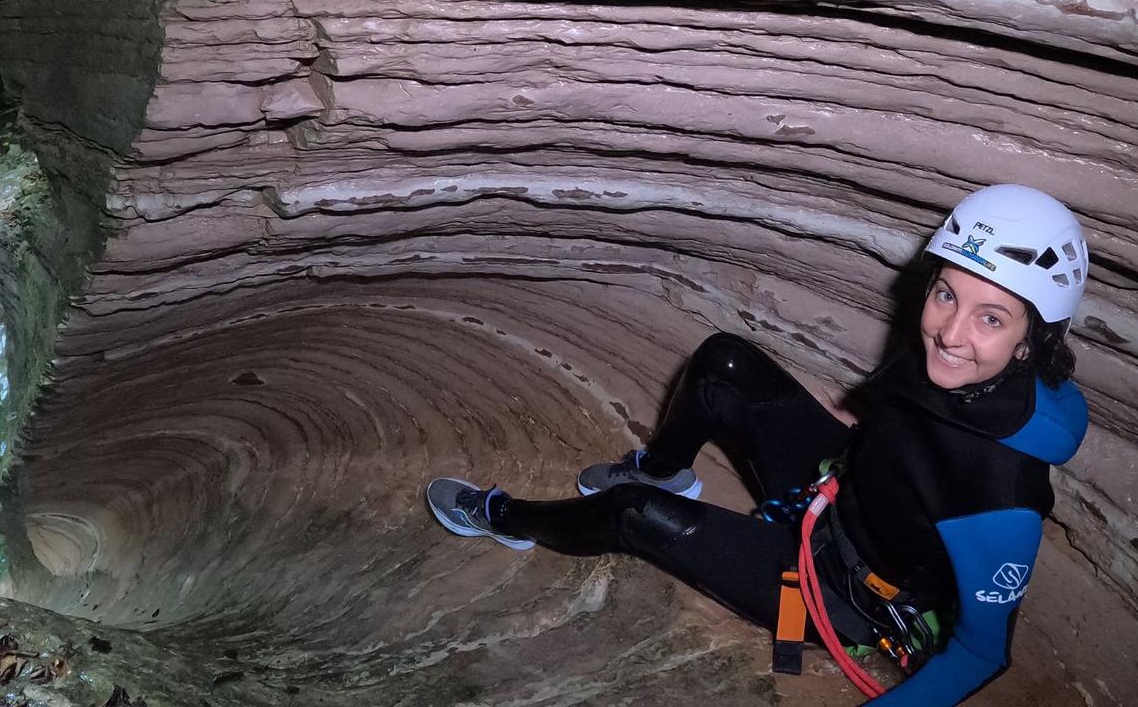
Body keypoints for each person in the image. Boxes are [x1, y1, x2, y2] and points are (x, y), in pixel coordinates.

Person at [426, 184, 1091, 706]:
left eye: (990, 317)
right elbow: (904, 442)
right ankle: (662, 470)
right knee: (726, 363)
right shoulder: (962, 369)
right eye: (946, 293)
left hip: (844, 592)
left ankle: (505, 518)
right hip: (837, 493)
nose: (949, 331)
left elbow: (981, 653)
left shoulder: (1002, 491)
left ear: (1030, 341)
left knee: (633, 515)